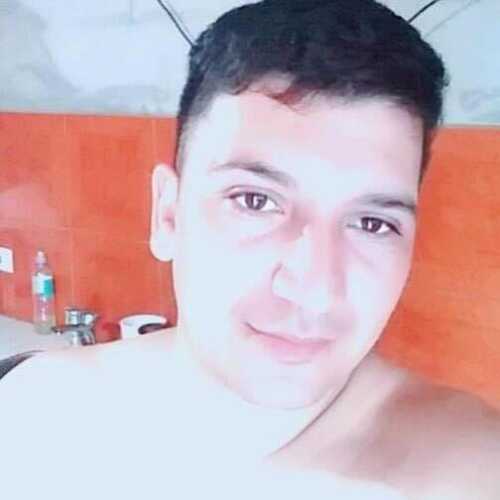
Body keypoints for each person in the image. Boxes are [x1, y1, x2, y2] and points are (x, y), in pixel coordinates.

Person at [1, 0, 499, 498]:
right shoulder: (26, 412)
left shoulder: (469, 471)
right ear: (167, 215)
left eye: (372, 223)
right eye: (255, 201)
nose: (315, 286)